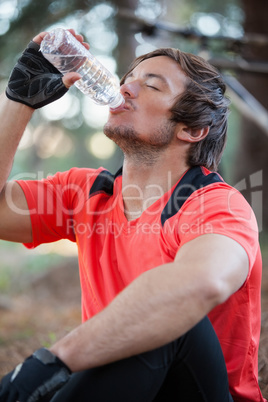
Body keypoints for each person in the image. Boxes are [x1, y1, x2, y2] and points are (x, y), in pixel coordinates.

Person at [0, 29, 265, 402]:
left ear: (192, 128)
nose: (124, 89)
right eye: (127, 81)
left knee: (166, 317)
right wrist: (18, 101)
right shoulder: (87, 193)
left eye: (151, 86)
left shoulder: (216, 205)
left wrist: (54, 361)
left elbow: (202, 282)